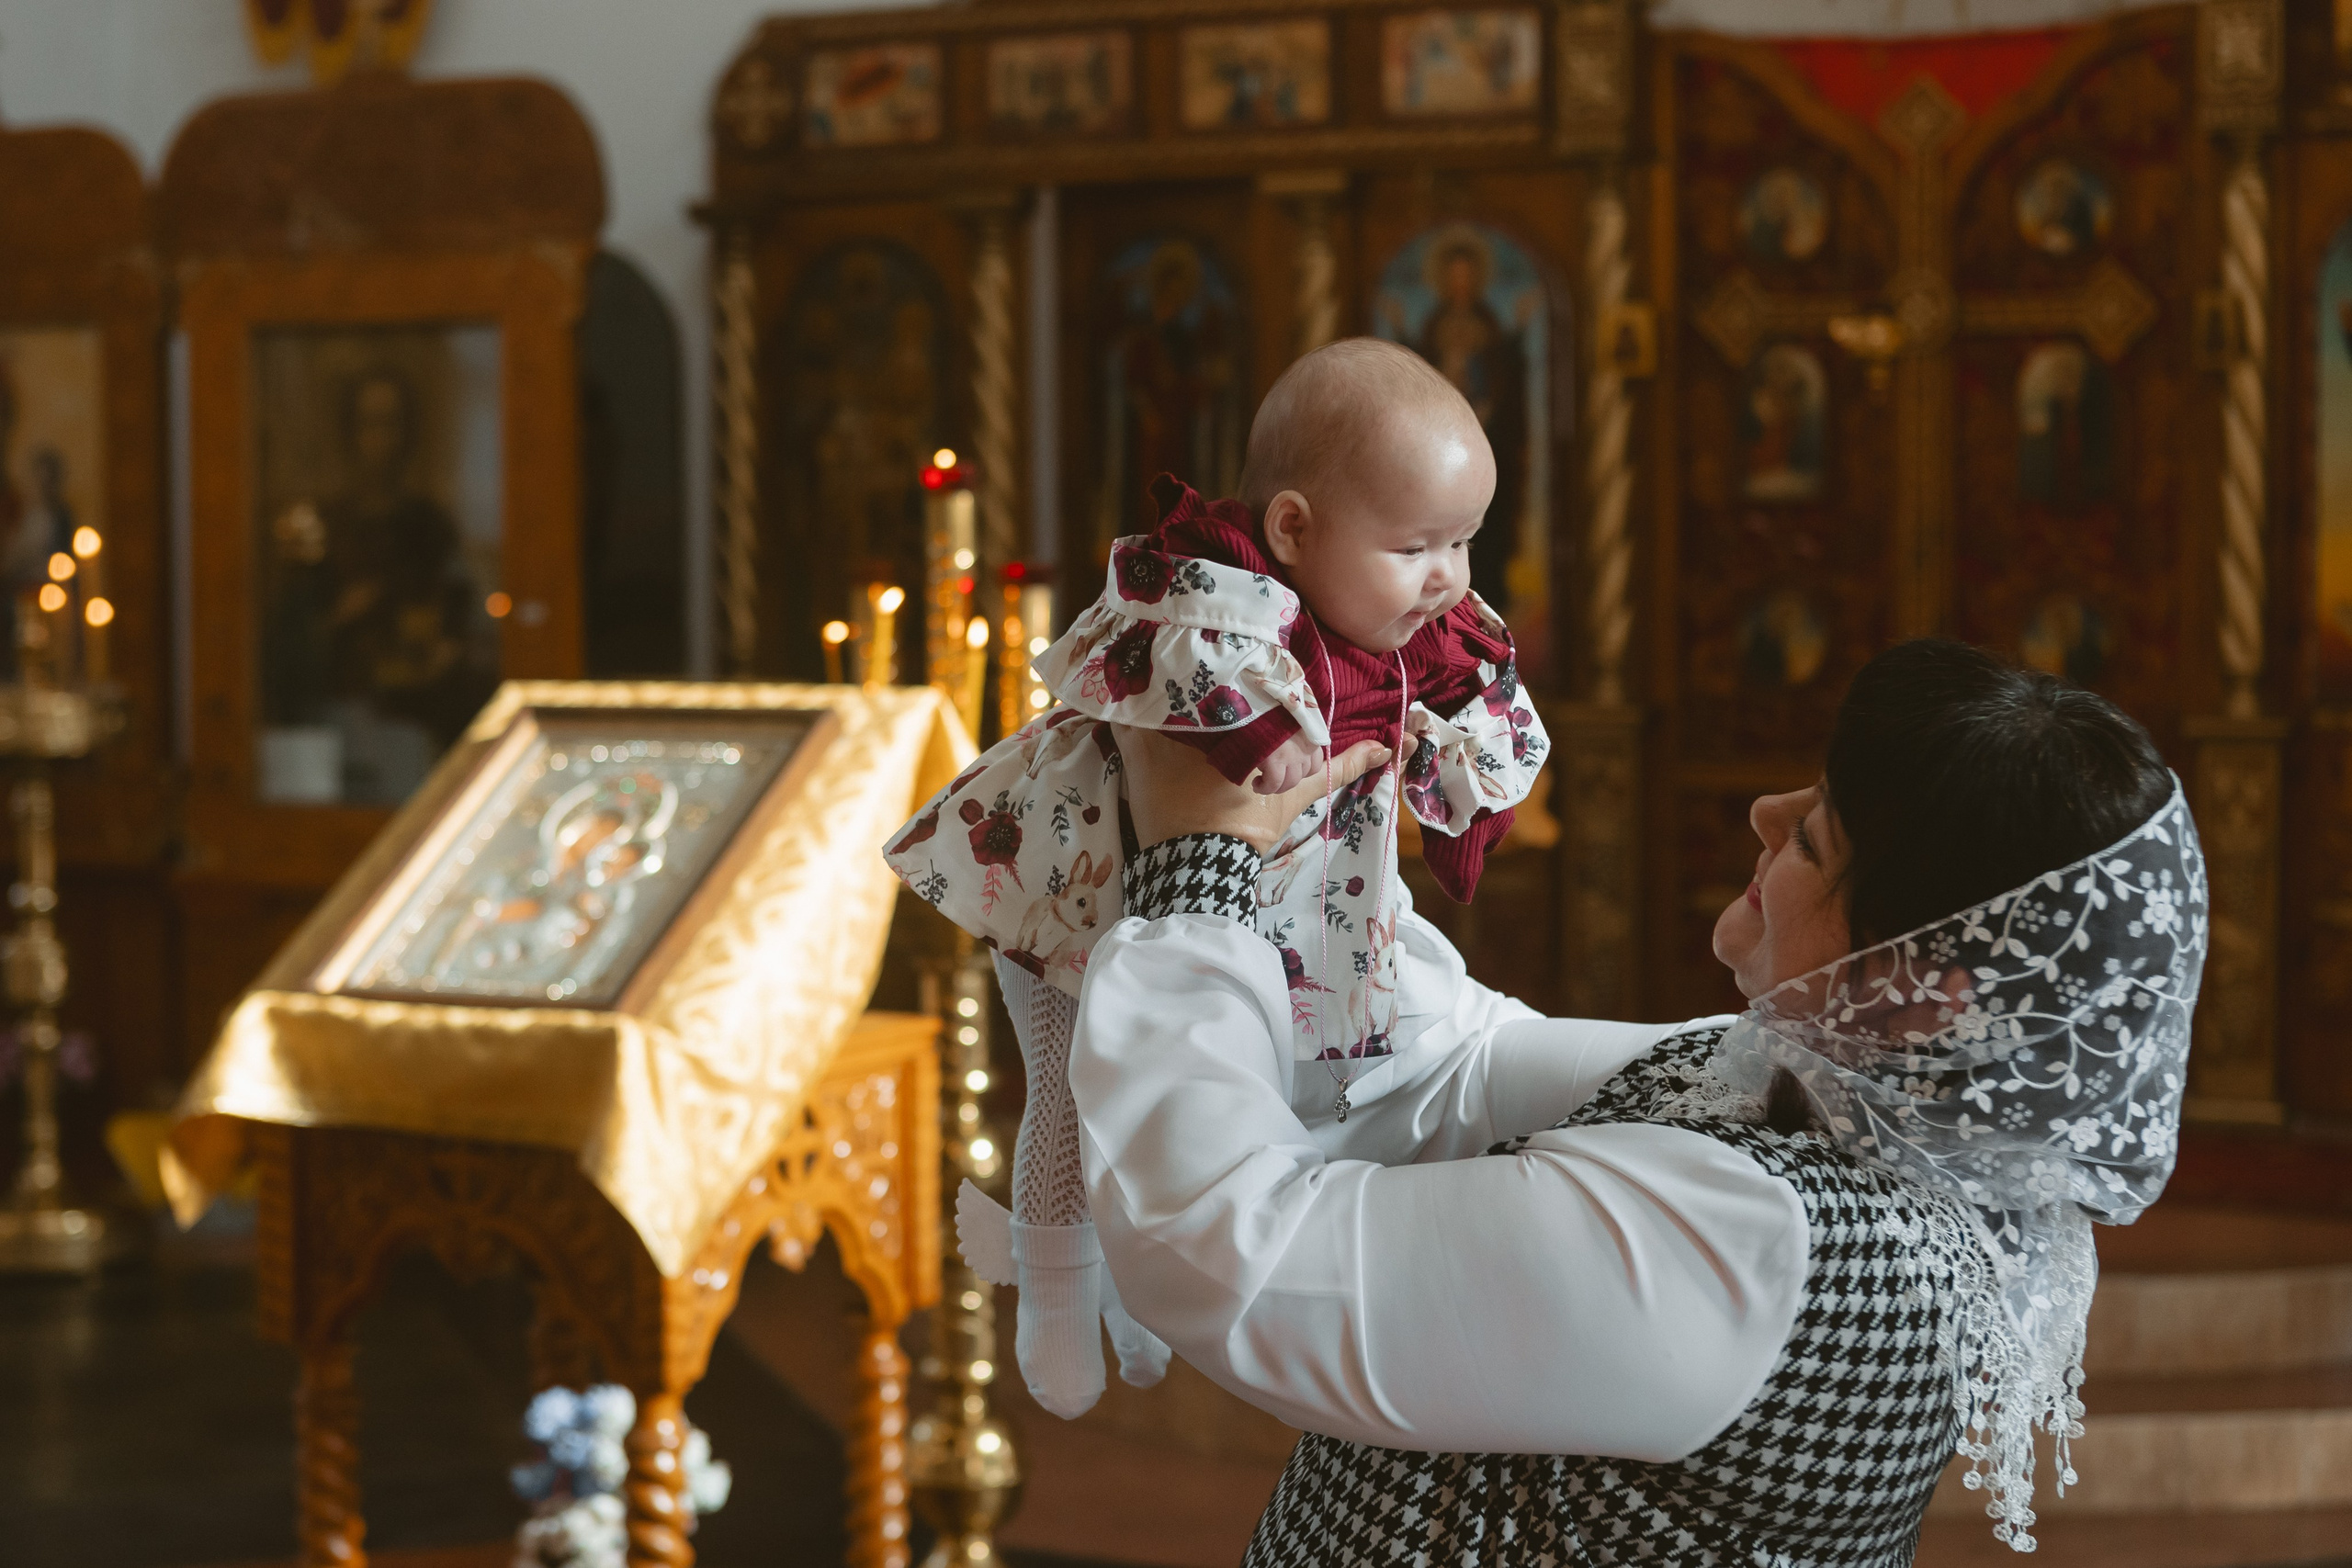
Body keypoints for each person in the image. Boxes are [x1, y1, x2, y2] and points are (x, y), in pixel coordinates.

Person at [1072, 638, 2204, 1562]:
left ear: (1921, 994)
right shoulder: (1856, 1102)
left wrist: (1197, 874)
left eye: (1814, 835)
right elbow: (1460, 1063)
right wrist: (1323, 841)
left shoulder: (1752, 1242)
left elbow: (1232, 1253)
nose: (1765, 814)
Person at [888, 338, 1550, 1418]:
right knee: (1068, 1093)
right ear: (1293, 528)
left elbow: (1477, 703)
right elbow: (1177, 657)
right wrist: (1253, 728)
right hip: (1076, 888)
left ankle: (1146, 1302)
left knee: (1202, 1102)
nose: (1448, 577)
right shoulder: (1212, 585)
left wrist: (1467, 759)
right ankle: (1054, 1296)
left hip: (1250, 906)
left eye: (1466, 541)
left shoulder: (1415, 625)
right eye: (1417, 544)